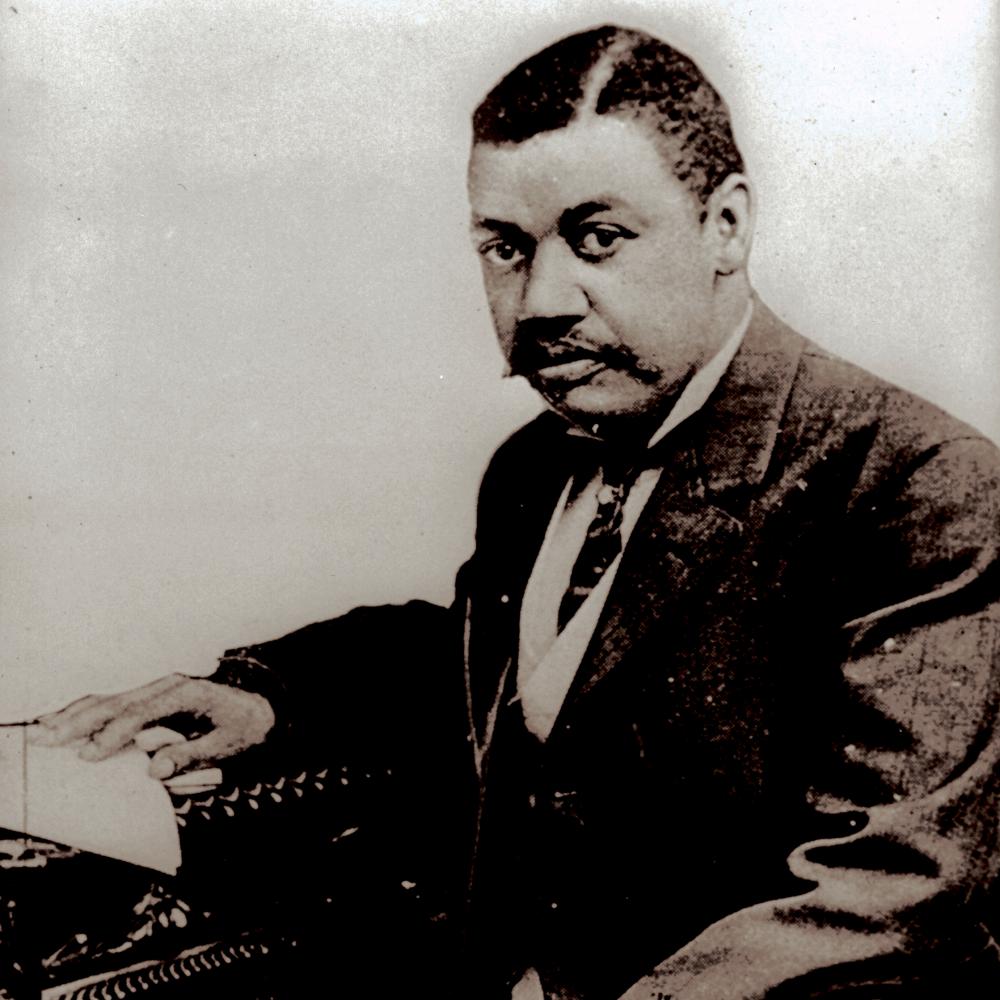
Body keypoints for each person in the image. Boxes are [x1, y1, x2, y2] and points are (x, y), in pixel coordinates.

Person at [31, 24, 1000, 1000]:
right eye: (503, 248)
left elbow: (889, 888)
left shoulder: (915, 481)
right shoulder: (534, 464)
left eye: (597, 239)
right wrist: (271, 700)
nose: (540, 300)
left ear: (726, 226)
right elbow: (536, 678)